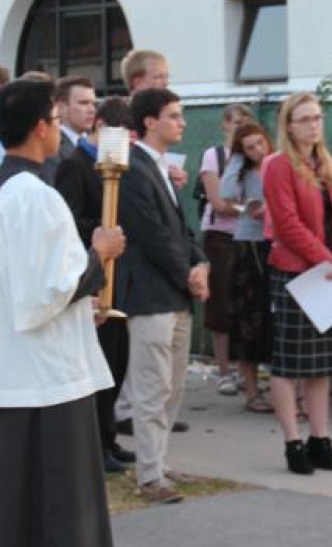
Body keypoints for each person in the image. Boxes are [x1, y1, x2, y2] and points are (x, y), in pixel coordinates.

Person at [0, 79, 124, 547]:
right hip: (40, 375)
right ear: (41, 127)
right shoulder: (33, 196)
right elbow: (44, 291)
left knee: (11, 497)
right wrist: (99, 253)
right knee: (54, 499)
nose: (58, 131)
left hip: (4, 364)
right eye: (57, 121)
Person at [116, 88, 209, 503]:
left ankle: (161, 462)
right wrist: (187, 273)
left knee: (172, 387)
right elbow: (150, 233)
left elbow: (181, 229)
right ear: (150, 122)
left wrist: (200, 261)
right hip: (151, 294)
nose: (182, 123)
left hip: (174, 292)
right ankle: (149, 475)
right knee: (152, 388)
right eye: (174, 115)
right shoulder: (134, 167)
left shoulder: (160, 167)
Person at [264, 92, 332, 476]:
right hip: (294, 273)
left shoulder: (327, 165)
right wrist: (323, 258)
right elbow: (287, 223)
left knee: (320, 365)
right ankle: (292, 442)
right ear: (289, 125)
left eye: (317, 117)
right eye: (305, 119)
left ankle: (321, 438)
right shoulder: (279, 166)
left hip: (327, 273)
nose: (314, 125)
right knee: (288, 365)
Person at [53, 96, 136, 473]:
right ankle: (96, 444)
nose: (87, 111)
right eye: (82, 104)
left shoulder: (120, 166)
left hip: (116, 270)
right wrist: (102, 235)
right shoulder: (75, 165)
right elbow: (71, 220)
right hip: (94, 268)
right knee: (99, 363)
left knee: (117, 362)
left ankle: (109, 438)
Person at [218, 121, 276, 412]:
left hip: (275, 243)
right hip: (248, 243)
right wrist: (236, 158)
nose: (257, 150)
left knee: (273, 318)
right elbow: (225, 194)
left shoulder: (278, 164)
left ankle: (282, 390)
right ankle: (252, 391)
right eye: (249, 147)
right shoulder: (242, 171)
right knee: (248, 318)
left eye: (259, 143)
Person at [198, 103, 253, 396]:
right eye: (234, 122)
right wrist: (250, 208)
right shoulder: (214, 156)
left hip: (248, 237)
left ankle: (246, 369)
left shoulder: (254, 158)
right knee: (220, 302)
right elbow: (219, 202)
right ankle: (223, 371)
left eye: (244, 122)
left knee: (245, 305)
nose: (239, 127)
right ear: (224, 125)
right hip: (220, 236)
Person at [120, 49, 187, 191]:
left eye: (167, 77)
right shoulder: (117, 120)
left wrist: (168, 177)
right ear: (137, 82)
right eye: (158, 77)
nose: (165, 83)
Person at [40, 75, 97, 183]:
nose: (92, 110)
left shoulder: (98, 142)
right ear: (61, 108)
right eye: (83, 103)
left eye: (93, 104)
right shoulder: (51, 148)